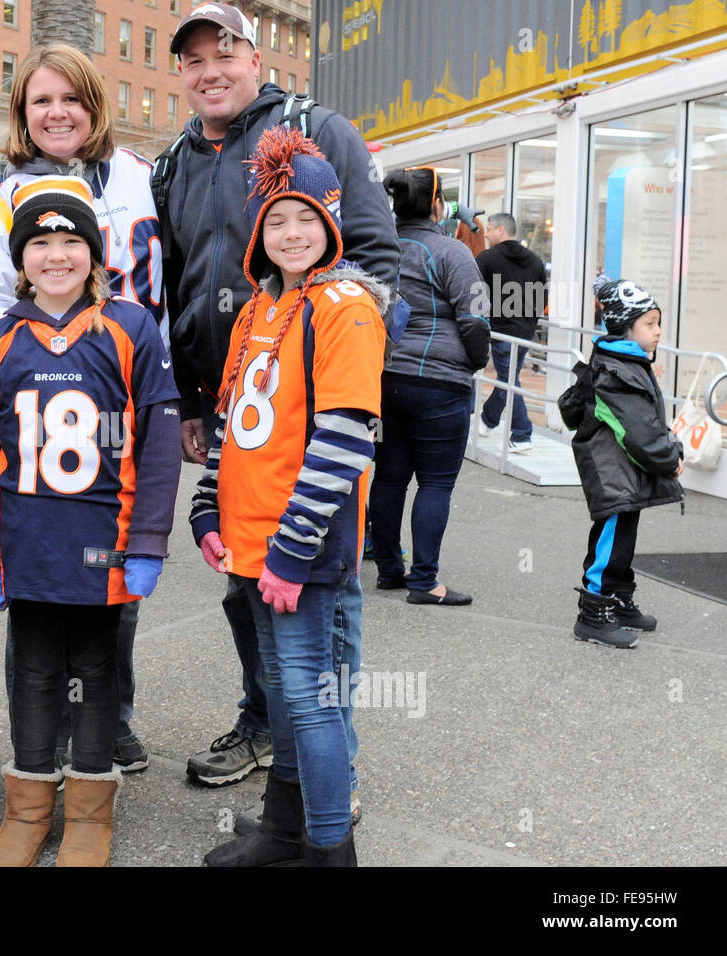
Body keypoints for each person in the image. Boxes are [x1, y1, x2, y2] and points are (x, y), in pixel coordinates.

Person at [159, 1, 398, 791]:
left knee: (323, 596)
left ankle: (332, 771)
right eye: (194, 60)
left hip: (312, 410)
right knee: (246, 586)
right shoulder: (174, 161)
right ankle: (267, 727)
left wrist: (333, 378)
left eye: (224, 53)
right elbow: (176, 288)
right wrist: (199, 405)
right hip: (232, 407)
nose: (210, 70)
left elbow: (374, 260)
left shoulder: (316, 129)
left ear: (256, 59)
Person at [0, 177, 180, 866]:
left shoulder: (130, 326)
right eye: (40, 244)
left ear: (93, 252)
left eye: (71, 242)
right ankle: (27, 808)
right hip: (26, 538)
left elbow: (162, 438)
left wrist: (148, 540)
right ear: (20, 259)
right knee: (31, 671)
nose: (57, 256)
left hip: (103, 539)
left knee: (96, 666)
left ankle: (90, 811)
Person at [0, 43, 164, 773]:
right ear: (20, 111)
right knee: (43, 566)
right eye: (41, 100)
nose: (57, 113)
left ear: (95, 105)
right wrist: (47, 349)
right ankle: (40, 749)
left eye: (71, 98)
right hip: (48, 400)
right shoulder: (0, 202)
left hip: (133, 384)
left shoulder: (143, 176)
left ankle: (109, 721)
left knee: (116, 570)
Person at [192, 126, 386, 867]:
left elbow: (344, 442)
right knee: (284, 704)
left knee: (313, 706)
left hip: (300, 554)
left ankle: (330, 851)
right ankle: (282, 831)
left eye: (309, 217)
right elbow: (236, 424)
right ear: (257, 230)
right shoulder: (256, 311)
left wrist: (293, 548)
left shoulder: (344, 307)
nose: (293, 232)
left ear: (333, 222)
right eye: (278, 219)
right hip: (250, 547)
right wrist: (208, 508)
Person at [368, 166, 489, 606]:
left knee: (389, 476)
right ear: (438, 205)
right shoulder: (453, 252)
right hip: (440, 383)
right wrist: (474, 362)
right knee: (436, 483)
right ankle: (425, 582)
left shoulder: (379, 250)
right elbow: (475, 318)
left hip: (384, 379)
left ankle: (387, 570)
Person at [570, 278, 683, 648]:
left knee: (622, 538)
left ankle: (618, 598)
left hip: (623, 472)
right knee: (609, 541)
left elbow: (646, 424)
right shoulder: (616, 372)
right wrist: (670, 458)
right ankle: (593, 614)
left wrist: (669, 448)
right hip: (612, 472)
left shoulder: (628, 363)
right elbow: (639, 434)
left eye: (657, 322)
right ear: (625, 327)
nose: (658, 331)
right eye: (649, 324)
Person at [477, 213, 548, 452]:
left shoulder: (487, 259)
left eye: (488, 229)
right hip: (525, 331)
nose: (485, 234)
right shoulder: (536, 261)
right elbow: (542, 298)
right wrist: (529, 322)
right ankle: (489, 419)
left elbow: (475, 294)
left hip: (502, 331)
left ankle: (521, 434)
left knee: (508, 381)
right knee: (509, 379)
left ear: (500, 230)